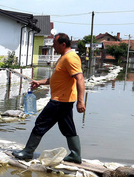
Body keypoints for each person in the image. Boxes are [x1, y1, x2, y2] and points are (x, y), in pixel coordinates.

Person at [12, 32, 85, 163]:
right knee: (67, 127)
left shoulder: (70, 58)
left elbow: (80, 78)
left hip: (60, 100)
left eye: (55, 44)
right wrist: (40, 82)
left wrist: (81, 101)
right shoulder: (63, 57)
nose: (53, 46)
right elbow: (56, 79)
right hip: (64, 100)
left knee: (41, 123)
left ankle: (28, 152)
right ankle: (75, 155)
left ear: (63, 44)